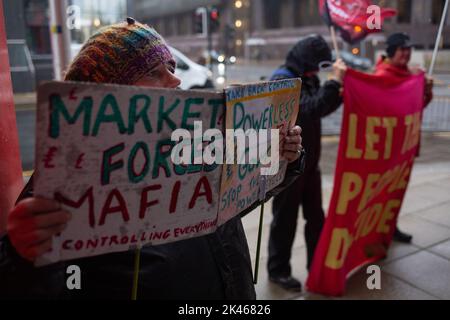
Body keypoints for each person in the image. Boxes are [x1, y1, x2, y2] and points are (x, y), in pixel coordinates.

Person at [0, 18, 305, 299]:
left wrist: (280, 160)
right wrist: (21, 259)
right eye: (153, 73)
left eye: (172, 68)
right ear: (108, 93)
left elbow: (230, 203)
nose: (175, 82)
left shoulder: (191, 143)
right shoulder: (63, 186)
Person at [267, 34, 347, 292]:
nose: (317, 71)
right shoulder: (283, 80)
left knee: (316, 218)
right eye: (316, 65)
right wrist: (333, 83)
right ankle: (278, 271)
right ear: (306, 59)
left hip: (310, 163)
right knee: (285, 219)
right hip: (287, 164)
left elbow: (321, 107)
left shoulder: (308, 77)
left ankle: (317, 265)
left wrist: (339, 90)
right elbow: (308, 109)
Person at [374, 32, 434, 243]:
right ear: (391, 52)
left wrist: (426, 91)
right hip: (386, 148)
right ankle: (377, 232)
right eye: (402, 49)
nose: (407, 54)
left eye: (409, 49)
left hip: (403, 146)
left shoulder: (407, 74)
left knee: (396, 192)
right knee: (382, 194)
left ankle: (390, 227)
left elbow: (414, 110)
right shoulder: (383, 76)